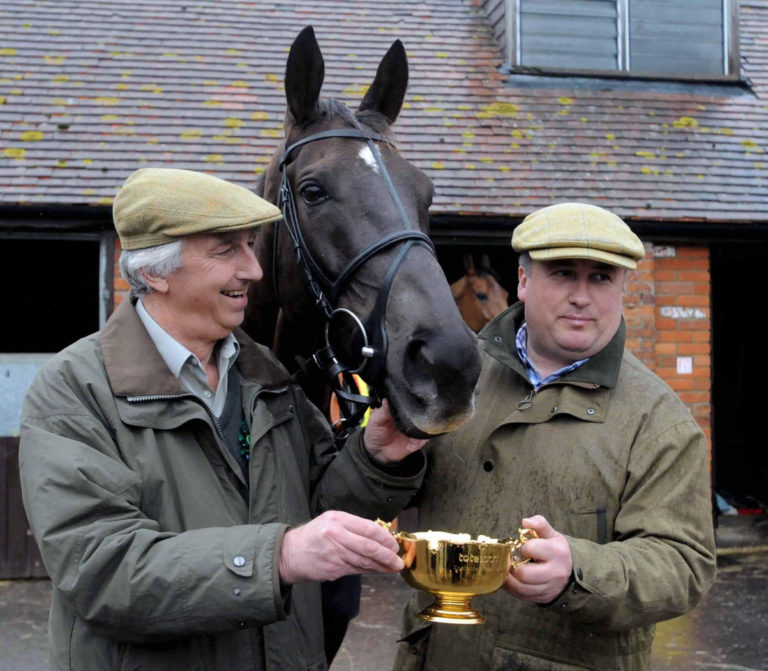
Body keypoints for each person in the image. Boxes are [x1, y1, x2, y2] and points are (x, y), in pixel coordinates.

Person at [19, 167, 427, 671]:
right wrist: (277, 557)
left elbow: (319, 506)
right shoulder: (75, 390)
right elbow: (102, 570)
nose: (254, 270)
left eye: (251, 246)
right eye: (226, 248)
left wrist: (376, 457)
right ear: (153, 272)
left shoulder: (265, 374)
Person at [394, 202, 716, 671]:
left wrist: (579, 572)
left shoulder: (659, 421)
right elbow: (366, 502)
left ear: (623, 287)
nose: (581, 296)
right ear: (523, 281)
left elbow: (684, 566)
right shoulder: (454, 375)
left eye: (602, 277)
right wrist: (378, 459)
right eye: (563, 273)